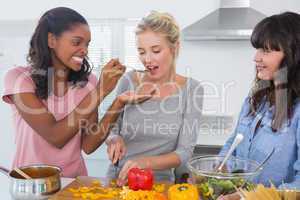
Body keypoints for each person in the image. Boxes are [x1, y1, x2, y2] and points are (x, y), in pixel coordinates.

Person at [2, 7, 154, 178]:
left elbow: (89, 145)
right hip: (30, 185)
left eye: (87, 44)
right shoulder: (19, 78)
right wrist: (101, 91)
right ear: (52, 40)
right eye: (76, 42)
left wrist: (118, 103)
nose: (85, 50)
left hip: (74, 183)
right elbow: (55, 136)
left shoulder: (88, 82)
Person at [105, 10, 203, 185]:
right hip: (118, 181)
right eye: (142, 52)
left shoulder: (192, 89)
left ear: (175, 48)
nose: (147, 59)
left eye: (155, 50)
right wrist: (114, 139)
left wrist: (145, 163)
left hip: (160, 186)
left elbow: (184, 152)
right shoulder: (128, 80)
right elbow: (111, 127)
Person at [218, 12, 300, 197]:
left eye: (266, 50)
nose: (256, 58)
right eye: (257, 49)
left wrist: (246, 197)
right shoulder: (255, 99)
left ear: (293, 54)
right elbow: (234, 142)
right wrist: (218, 167)